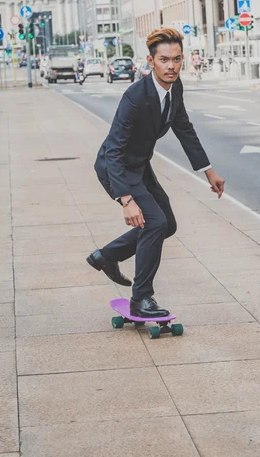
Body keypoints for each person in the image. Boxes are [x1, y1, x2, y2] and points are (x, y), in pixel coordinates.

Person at [87, 28, 225, 317]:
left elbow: (184, 127)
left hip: (140, 165)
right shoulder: (135, 96)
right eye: (164, 59)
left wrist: (208, 171)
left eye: (176, 59)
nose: (171, 66)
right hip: (117, 168)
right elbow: (112, 150)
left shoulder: (176, 88)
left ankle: (107, 256)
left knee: (168, 224)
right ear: (151, 61)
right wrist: (126, 199)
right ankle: (141, 298)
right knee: (155, 223)